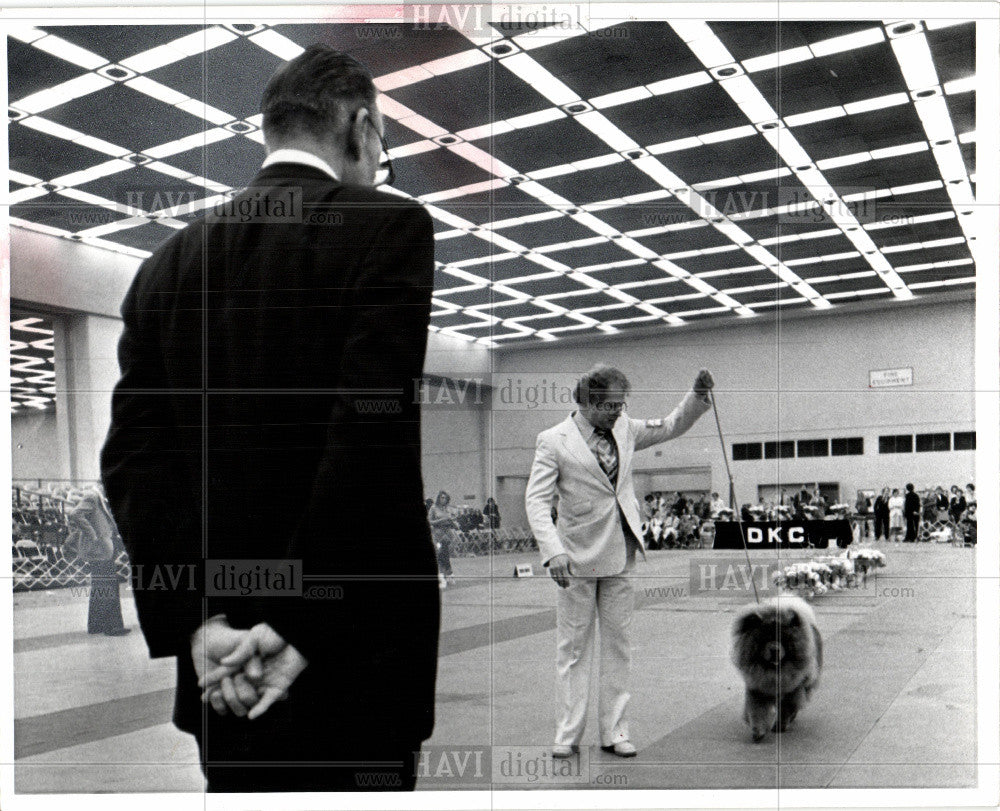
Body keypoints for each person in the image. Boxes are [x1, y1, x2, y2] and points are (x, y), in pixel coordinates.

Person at [100, 45, 439, 792]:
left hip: (223, 672)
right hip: (353, 662)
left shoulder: (164, 268)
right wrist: (293, 624)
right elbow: (366, 442)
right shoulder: (387, 228)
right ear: (361, 125)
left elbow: (132, 466)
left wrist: (197, 625)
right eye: (381, 147)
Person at [525, 364, 713, 759]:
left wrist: (696, 395)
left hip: (621, 551)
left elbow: (671, 426)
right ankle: (566, 734)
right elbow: (537, 501)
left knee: (619, 647)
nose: (618, 411)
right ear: (589, 402)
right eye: (611, 405)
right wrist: (552, 550)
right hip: (573, 558)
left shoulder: (626, 427)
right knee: (573, 650)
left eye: (622, 404)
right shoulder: (553, 441)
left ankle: (615, 731)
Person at [67, 487, 129, 637]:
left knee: (100, 586)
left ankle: (96, 625)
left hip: (103, 549)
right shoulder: (92, 497)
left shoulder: (100, 499)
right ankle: (112, 626)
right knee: (108, 585)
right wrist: (92, 534)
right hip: (99, 549)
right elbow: (75, 514)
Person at [428, 491, 458, 586]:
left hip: (448, 535)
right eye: (441, 497)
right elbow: (430, 521)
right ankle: (443, 576)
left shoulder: (448, 509)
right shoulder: (433, 509)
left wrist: (453, 523)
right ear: (438, 498)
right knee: (440, 555)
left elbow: (453, 521)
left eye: (445, 498)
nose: (443, 499)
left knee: (445, 555)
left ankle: (448, 575)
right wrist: (442, 520)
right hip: (438, 534)